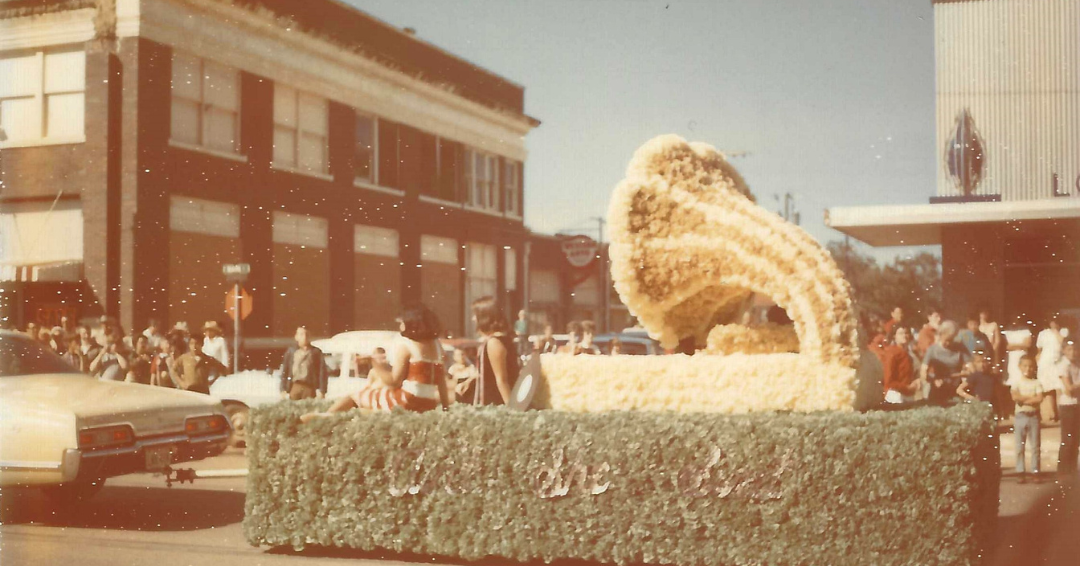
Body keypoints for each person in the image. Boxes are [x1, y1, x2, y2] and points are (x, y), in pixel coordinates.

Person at [301, 305, 450, 421]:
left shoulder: (406, 345)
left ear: (411, 323)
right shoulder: (437, 346)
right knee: (370, 403)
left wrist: (373, 362)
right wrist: (445, 408)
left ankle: (326, 416)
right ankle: (337, 415)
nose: (400, 326)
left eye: (402, 323)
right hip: (428, 402)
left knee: (356, 396)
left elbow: (393, 381)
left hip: (406, 400)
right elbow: (441, 381)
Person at [470, 297, 519, 404]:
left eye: (476, 315)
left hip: (494, 404)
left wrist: (513, 410)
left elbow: (502, 380)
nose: (473, 319)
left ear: (485, 317)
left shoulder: (494, 343)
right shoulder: (501, 340)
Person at [919, 320, 971, 405]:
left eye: (951, 340)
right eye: (946, 340)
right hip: (938, 390)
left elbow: (971, 369)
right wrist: (933, 380)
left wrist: (960, 374)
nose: (948, 343)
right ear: (940, 335)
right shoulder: (932, 350)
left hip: (957, 390)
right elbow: (923, 372)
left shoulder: (960, 348)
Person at [1012, 354, 1045, 483]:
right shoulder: (1017, 382)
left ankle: (1035, 471)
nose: (1028, 368)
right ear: (1020, 367)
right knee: (1019, 446)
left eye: (1031, 366)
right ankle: (1020, 471)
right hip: (1020, 417)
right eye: (1025, 365)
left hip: (1034, 417)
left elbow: (1040, 398)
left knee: (1035, 446)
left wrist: (1024, 399)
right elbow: (1015, 397)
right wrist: (1031, 399)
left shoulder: (1037, 382)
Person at [278, 326, 328, 400]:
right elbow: (285, 371)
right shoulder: (291, 351)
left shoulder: (316, 352)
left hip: (310, 387)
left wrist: (322, 390)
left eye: (306, 334)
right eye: (301, 334)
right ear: (296, 337)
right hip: (295, 386)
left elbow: (322, 372)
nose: (304, 337)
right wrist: (283, 389)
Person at [1057, 340, 1080, 474]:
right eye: (1069, 350)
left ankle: (1071, 472)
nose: (1072, 353)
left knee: (1076, 440)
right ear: (1064, 351)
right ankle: (1062, 472)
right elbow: (1069, 389)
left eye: (1075, 350)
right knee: (1067, 440)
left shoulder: (1077, 364)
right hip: (1067, 406)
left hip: (1077, 405)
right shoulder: (1063, 365)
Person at [1036, 316, 1065, 422]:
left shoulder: (1063, 332)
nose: (1053, 323)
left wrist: (1056, 331)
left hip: (1059, 363)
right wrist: (1038, 362)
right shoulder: (1043, 333)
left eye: (1055, 321)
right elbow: (1039, 350)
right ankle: (1053, 414)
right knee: (1049, 390)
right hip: (1046, 363)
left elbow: (1063, 343)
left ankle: (1062, 413)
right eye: (1051, 321)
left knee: (1060, 388)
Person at [882, 326, 920, 404]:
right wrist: (906, 387)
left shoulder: (911, 354)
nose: (904, 335)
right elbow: (888, 381)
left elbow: (915, 373)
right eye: (901, 333)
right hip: (895, 393)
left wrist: (916, 382)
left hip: (908, 393)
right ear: (894, 336)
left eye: (906, 333)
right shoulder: (892, 352)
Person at [978, 306, 1004, 372]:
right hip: (979, 354)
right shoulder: (977, 326)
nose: (984, 314)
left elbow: (997, 341)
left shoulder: (993, 325)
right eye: (982, 312)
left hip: (992, 352)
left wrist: (991, 352)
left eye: (986, 312)